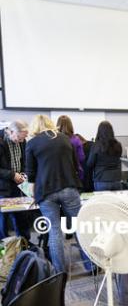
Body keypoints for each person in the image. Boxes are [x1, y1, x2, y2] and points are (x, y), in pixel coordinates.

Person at [25, 115, 90, 273]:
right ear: (50, 124)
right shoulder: (65, 139)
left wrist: (33, 195)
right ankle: (92, 265)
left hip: (45, 192)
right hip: (69, 187)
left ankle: (60, 272)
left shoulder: (32, 143)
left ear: (34, 127)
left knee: (54, 231)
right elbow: (76, 164)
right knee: (79, 227)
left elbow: (31, 175)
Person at [0, 120, 31, 240]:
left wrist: (24, 174)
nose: (21, 141)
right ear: (11, 132)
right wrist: (12, 175)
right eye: (19, 138)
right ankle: (4, 249)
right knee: (3, 220)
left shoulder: (22, 141)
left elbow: (25, 161)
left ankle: (25, 245)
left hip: (19, 185)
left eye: (23, 138)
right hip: (3, 187)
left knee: (22, 217)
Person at [87, 121, 123, 191]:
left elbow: (90, 163)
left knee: (103, 202)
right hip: (116, 179)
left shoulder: (96, 145)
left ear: (99, 132)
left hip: (101, 180)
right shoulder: (118, 145)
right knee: (116, 202)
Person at [56, 115, 85, 186]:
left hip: (58, 175)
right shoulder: (76, 139)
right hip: (74, 174)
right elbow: (81, 158)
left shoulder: (54, 140)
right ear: (70, 125)